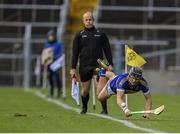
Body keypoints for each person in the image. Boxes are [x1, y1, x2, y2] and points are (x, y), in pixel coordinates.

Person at [70, 11, 113, 115]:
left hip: (98, 65)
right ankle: (84, 108)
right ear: (83, 21)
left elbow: (107, 50)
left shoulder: (101, 34)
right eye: (86, 20)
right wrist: (72, 68)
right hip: (84, 66)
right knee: (85, 91)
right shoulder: (79, 35)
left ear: (93, 20)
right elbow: (75, 53)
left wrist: (110, 64)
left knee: (101, 88)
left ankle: (104, 109)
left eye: (90, 19)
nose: (88, 21)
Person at [41, 30, 63, 98]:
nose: (51, 38)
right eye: (49, 36)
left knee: (57, 76)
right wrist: (44, 61)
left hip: (56, 62)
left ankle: (59, 90)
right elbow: (45, 54)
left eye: (52, 36)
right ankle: (51, 92)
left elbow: (60, 53)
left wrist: (54, 58)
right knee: (50, 77)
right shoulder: (46, 44)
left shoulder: (58, 44)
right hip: (49, 63)